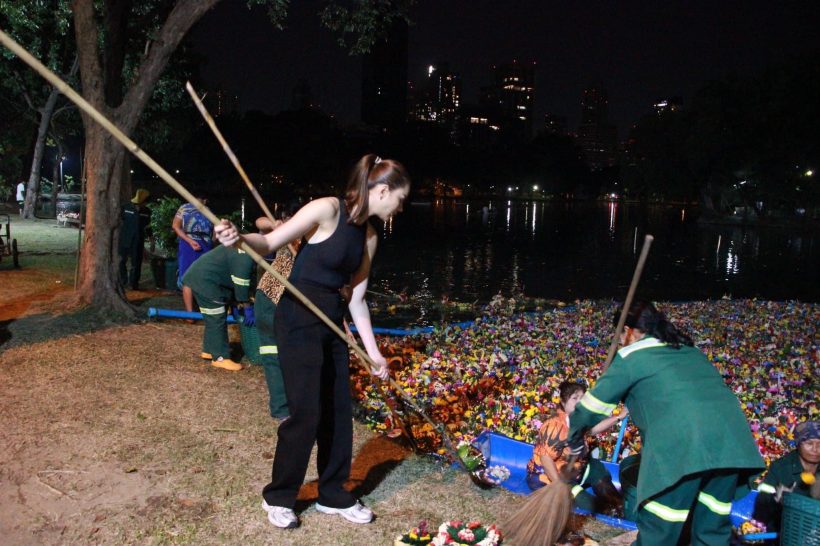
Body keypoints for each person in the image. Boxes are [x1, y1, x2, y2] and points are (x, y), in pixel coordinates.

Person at [213, 154, 410, 529]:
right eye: (399, 200)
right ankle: (279, 496)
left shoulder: (369, 236)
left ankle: (333, 494)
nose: (399, 208)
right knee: (305, 413)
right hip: (298, 320)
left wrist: (374, 354)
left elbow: (356, 298)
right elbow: (268, 241)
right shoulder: (326, 209)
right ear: (382, 190)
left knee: (337, 411)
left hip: (332, 324)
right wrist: (238, 239)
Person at [567, 301, 764, 546]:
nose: (618, 343)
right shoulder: (689, 350)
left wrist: (574, 437)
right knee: (711, 529)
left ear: (629, 331)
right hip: (730, 447)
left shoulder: (632, 355)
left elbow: (590, 408)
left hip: (683, 450)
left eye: (618, 336)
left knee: (660, 530)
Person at [526, 380, 626, 512]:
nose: (580, 403)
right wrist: (559, 486)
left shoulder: (580, 419)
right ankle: (600, 507)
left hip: (576, 467)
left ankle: (617, 505)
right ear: (563, 402)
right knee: (589, 506)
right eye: (575, 398)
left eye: (582, 399)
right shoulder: (554, 426)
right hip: (553, 475)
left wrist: (618, 417)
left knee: (599, 474)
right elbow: (545, 459)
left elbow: (593, 429)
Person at [253, 202, 303, 420]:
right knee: (272, 353)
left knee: (293, 353)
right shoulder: (284, 233)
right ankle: (282, 409)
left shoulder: (308, 238)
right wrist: (277, 224)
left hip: (292, 301)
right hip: (270, 296)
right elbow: (260, 223)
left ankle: (297, 403)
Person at [181, 242, 256, 372]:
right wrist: (246, 306)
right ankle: (221, 358)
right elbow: (241, 283)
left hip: (201, 278)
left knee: (212, 318)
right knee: (217, 318)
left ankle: (209, 350)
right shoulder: (245, 257)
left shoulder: (243, 247)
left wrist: (234, 301)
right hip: (206, 282)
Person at [753, 420, 819, 532]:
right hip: (787, 531)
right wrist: (779, 502)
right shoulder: (781, 468)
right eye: (809, 443)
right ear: (798, 444)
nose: (815, 449)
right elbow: (761, 510)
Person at [173, 198, 214, 312]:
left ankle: (203, 309)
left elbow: (213, 230)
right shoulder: (184, 208)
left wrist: (211, 243)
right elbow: (176, 226)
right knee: (187, 276)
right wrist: (190, 241)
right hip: (188, 244)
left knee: (204, 276)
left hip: (205, 244)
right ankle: (190, 313)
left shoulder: (208, 210)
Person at [118, 188, 152, 290]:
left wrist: (151, 239)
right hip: (125, 238)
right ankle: (123, 281)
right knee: (121, 261)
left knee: (136, 263)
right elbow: (119, 221)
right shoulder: (126, 207)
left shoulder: (147, 211)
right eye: (144, 202)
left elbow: (148, 226)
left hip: (138, 241)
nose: (145, 204)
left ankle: (133, 284)